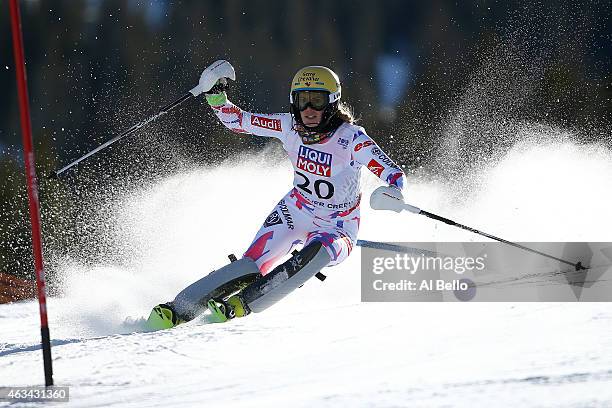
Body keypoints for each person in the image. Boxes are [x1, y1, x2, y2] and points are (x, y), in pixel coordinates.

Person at [147, 63, 406, 329]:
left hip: (338, 225)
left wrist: (394, 192)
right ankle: (177, 310)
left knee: (318, 252)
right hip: (295, 211)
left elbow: (393, 173)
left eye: (317, 101)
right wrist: (216, 95)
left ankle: (241, 305)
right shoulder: (288, 126)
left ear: (332, 102)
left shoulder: (351, 139)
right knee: (250, 265)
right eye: (302, 101)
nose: (309, 110)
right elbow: (237, 120)